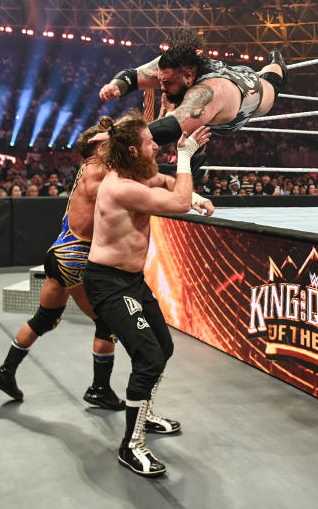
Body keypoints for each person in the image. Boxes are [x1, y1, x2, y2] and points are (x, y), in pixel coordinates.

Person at [0, 116, 215, 411]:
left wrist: (190, 192)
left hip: (60, 252)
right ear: (97, 146)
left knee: (44, 319)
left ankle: (5, 371)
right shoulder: (102, 174)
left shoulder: (95, 170)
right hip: (78, 257)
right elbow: (149, 182)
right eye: (109, 141)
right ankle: (99, 388)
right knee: (107, 323)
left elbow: (155, 179)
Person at [84, 113, 210, 477]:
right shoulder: (121, 187)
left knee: (163, 348)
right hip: (108, 282)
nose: (157, 145)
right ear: (133, 149)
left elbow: (167, 183)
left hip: (130, 280)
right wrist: (185, 156)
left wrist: (193, 191)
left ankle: (145, 413)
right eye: (150, 141)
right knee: (149, 357)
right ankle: (131, 445)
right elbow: (177, 203)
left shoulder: (135, 176)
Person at [97, 28, 286, 148]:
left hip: (253, 91)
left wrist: (115, 136)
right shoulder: (174, 64)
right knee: (184, 117)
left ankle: (277, 58)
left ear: (188, 75)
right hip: (230, 75)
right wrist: (116, 87)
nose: (161, 88)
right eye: (161, 81)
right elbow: (132, 75)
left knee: (274, 77)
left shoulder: (208, 93)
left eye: (168, 83)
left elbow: (170, 129)